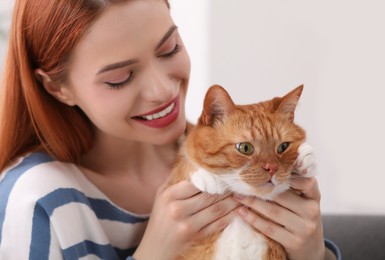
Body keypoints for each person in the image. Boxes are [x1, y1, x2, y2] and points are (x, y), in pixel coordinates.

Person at [0, 0, 340, 259]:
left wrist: (314, 254)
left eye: (170, 48)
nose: (163, 90)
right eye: (120, 78)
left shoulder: (223, 155)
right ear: (59, 89)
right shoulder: (38, 200)